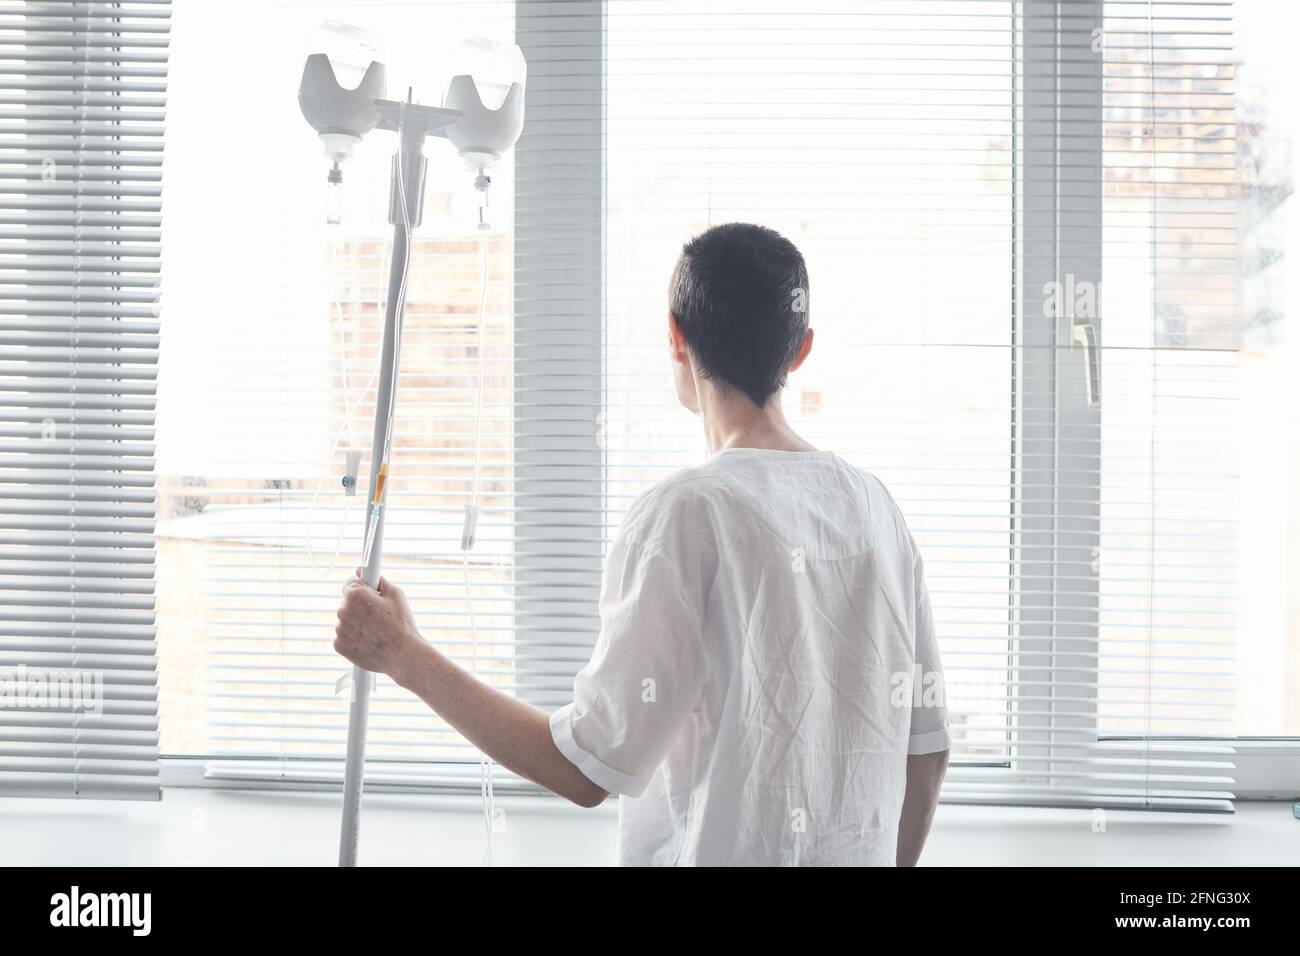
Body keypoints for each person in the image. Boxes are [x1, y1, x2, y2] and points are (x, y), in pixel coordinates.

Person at [333, 222, 950, 866]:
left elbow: (586, 769)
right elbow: (927, 751)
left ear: (677, 338)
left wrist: (405, 657)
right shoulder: (877, 508)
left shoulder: (687, 514)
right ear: (800, 351)